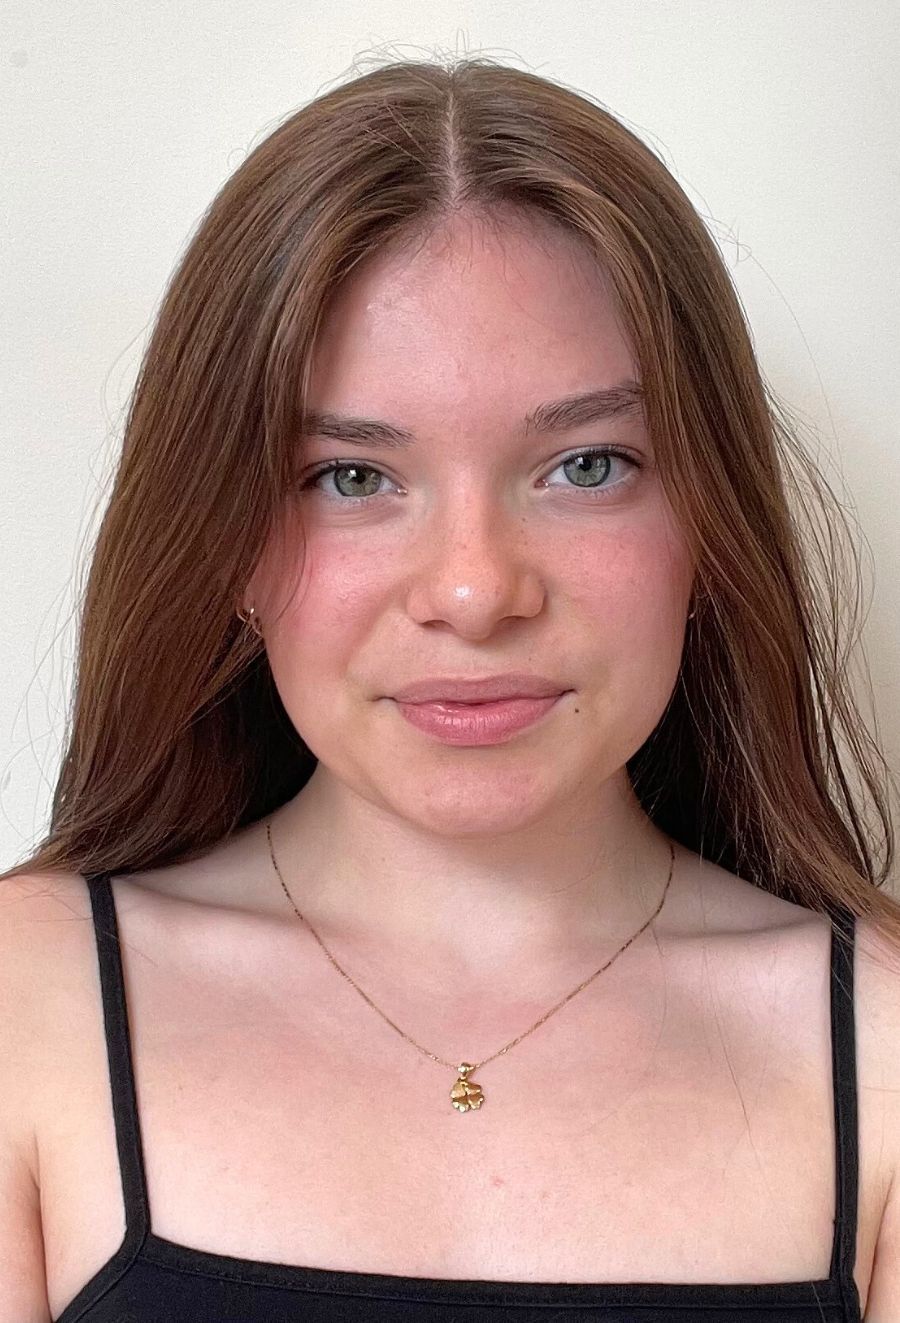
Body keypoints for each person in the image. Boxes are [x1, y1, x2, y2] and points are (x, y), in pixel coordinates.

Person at [1, 55, 898, 1323]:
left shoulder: (884, 1047)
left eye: (587, 465)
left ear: (710, 522)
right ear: (225, 544)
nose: (476, 592)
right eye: (353, 478)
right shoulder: (23, 1005)